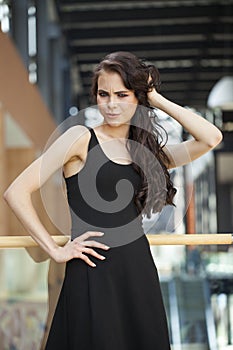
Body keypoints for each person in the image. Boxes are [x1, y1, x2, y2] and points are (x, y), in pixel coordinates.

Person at [4, 51, 222, 350]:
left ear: (137, 97)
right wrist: (55, 250)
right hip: (91, 269)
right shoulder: (79, 138)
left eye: (122, 94)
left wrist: (155, 98)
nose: (111, 103)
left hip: (137, 268)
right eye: (103, 94)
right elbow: (15, 192)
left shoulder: (143, 151)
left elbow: (210, 138)